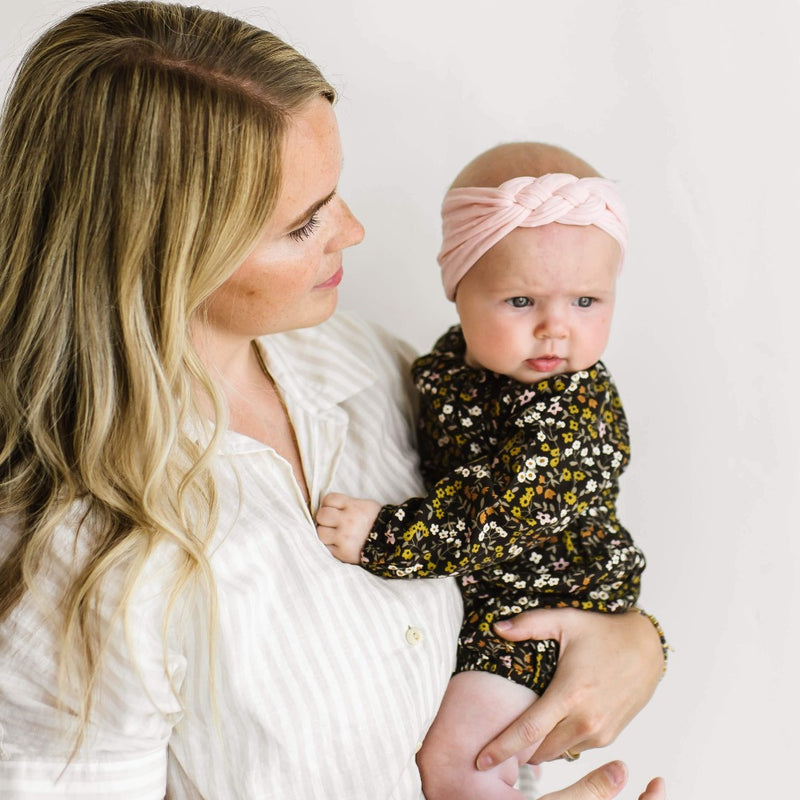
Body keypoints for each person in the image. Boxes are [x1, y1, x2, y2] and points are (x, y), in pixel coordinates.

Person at [0, 2, 665, 798]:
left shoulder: (373, 367)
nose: (351, 231)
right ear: (164, 251)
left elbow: (536, 526)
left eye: (334, 193)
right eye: (303, 224)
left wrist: (634, 643)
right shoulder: (73, 559)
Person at [316, 142, 664, 798]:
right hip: (489, 599)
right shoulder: (448, 366)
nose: (556, 330)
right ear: (459, 290)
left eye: (587, 301)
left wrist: (383, 536)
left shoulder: (571, 410)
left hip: (543, 605)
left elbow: (499, 516)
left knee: (459, 763)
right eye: (521, 301)